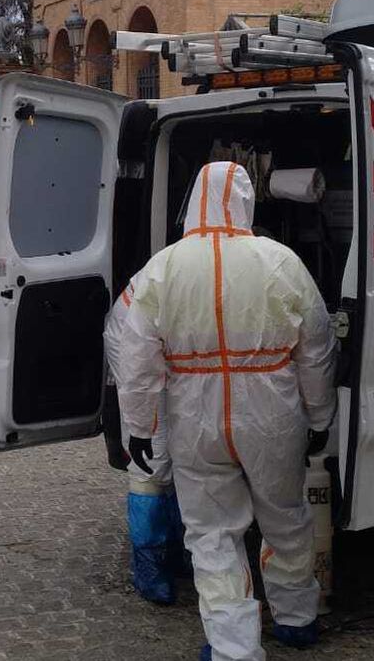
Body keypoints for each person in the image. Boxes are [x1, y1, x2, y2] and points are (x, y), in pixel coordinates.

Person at [109, 161, 337, 661]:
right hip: (272, 411)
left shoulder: (164, 266)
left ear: (195, 200)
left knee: (212, 534)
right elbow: (317, 348)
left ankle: (234, 648)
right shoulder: (281, 261)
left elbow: (136, 358)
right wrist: (321, 417)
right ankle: (296, 617)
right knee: (286, 517)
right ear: (246, 202)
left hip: (195, 415)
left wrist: (140, 427)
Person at [105, 294, 184, 605]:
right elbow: (140, 381)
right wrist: (139, 430)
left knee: (183, 444)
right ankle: (152, 567)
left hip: (168, 331)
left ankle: (178, 550)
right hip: (139, 332)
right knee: (153, 458)